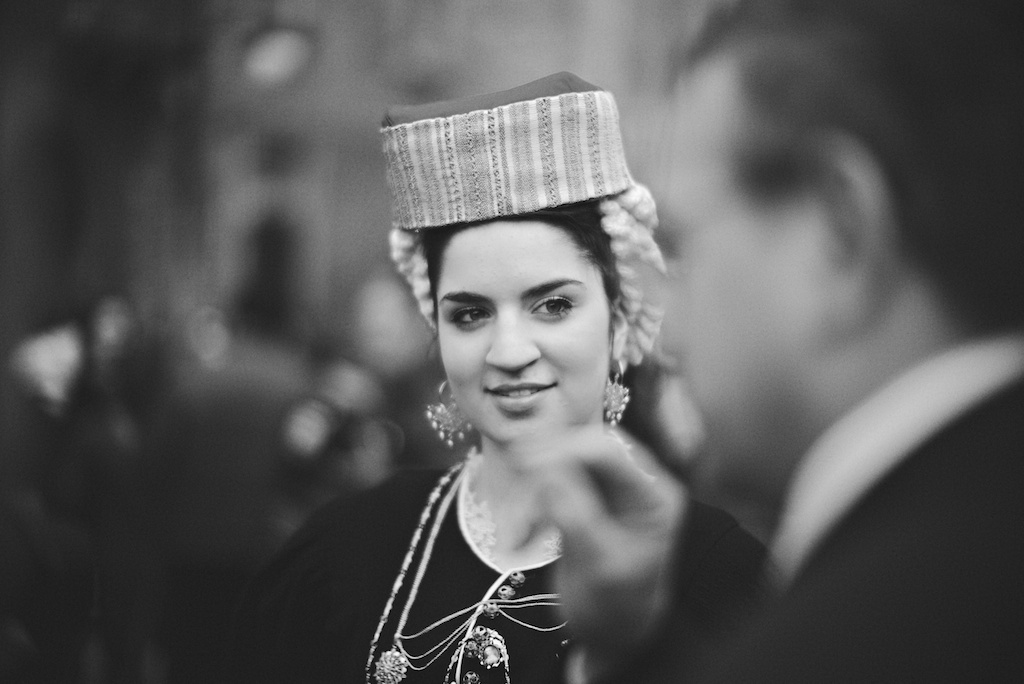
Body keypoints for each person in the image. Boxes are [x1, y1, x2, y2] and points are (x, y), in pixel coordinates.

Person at [526, 1, 1024, 682]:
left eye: (681, 248)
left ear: (841, 230)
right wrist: (637, 650)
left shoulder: (854, 640)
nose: (666, 336)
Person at [225, 72, 766, 683]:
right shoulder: (345, 553)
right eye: (471, 315)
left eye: (553, 305)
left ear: (618, 319)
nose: (508, 351)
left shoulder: (720, 580)